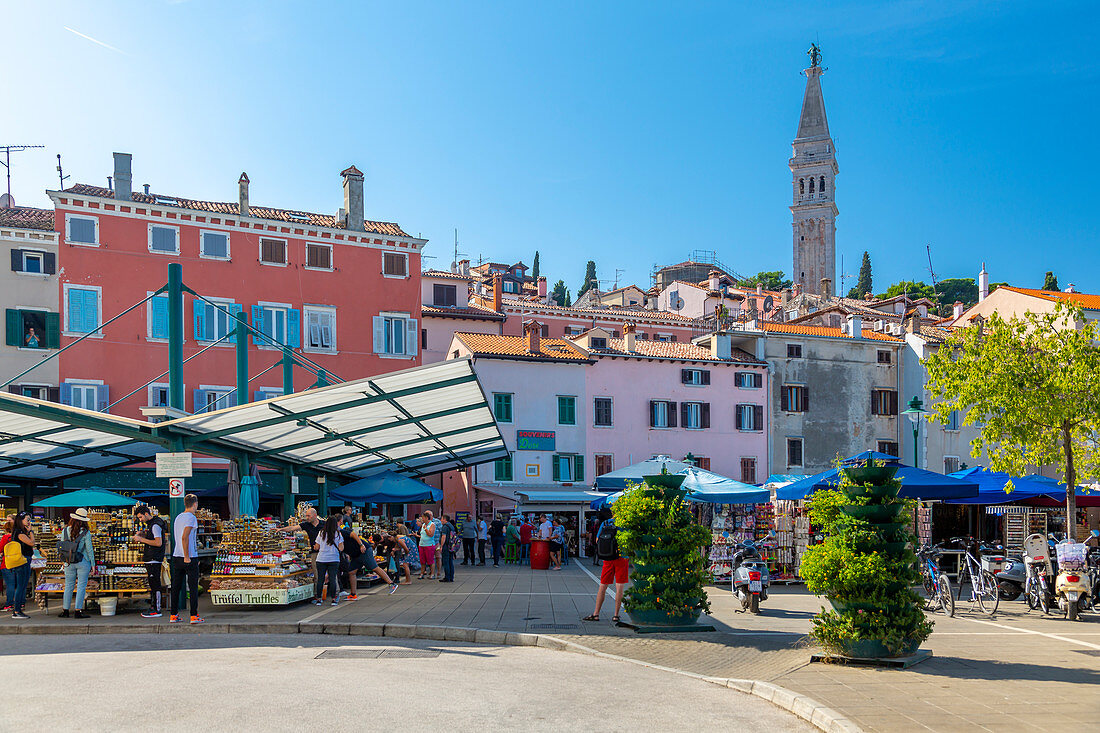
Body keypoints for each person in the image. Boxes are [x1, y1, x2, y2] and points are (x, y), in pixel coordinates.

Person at [584, 509, 629, 625]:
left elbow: (597, 539)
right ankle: (616, 615)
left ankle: (596, 613)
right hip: (622, 557)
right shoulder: (625, 524)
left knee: (603, 585)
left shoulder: (606, 523)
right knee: (619, 587)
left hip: (608, 558)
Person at [169, 494, 203, 624]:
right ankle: (194, 616)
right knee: (193, 587)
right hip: (188, 556)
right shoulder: (191, 518)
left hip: (176, 556)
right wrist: (188, 556)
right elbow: (185, 537)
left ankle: (173, 614)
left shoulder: (178, 517)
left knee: (176, 586)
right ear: (195, 504)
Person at [341, 526, 398, 598]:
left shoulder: (340, 532)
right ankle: (353, 594)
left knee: (374, 567)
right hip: (356, 555)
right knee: (351, 572)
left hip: (364, 551)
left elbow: (353, 534)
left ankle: (392, 584)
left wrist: (361, 545)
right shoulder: (332, 536)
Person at [59, 508, 96, 619]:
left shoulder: (65, 531)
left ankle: (65, 610)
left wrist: (63, 562)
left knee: (68, 586)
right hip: (82, 561)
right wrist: (93, 564)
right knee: (81, 586)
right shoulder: (85, 532)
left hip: (68, 562)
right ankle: (78, 611)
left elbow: (63, 548)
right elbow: (89, 550)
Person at [131, 505, 167, 618]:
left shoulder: (155, 525)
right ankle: (153, 607)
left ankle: (157, 609)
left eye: (141, 517)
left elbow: (158, 543)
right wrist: (144, 535)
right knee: (153, 584)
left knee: (155, 584)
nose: (140, 520)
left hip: (154, 559)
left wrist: (141, 539)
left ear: (147, 514)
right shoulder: (153, 524)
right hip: (152, 558)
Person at [313, 511, 344, 606]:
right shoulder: (338, 534)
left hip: (321, 559)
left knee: (320, 579)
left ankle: (318, 599)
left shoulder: (321, 533)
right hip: (334, 559)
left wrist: (316, 547)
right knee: (332, 578)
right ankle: (334, 599)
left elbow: (317, 547)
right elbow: (341, 548)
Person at [6, 513, 33, 619]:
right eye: (27, 519)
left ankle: (18, 610)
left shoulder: (20, 531)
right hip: (22, 561)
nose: (28, 521)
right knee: (21, 586)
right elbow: (31, 543)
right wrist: (30, 531)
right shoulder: (19, 532)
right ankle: (17, 611)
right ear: (20, 520)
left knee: (22, 586)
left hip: (24, 560)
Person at [1, 517, 14, 612]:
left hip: (6, 563)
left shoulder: (6, 537)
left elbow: (0, 549)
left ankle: (9, 604)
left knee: (9, 585)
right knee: (16, 584)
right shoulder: (18, 536)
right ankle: (19, 603)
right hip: (17, 562)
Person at [417, 513, 437, 579]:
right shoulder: (423, 525)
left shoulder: (432, 525)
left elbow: (430, 534)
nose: (422, 519)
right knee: (422, 560)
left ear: (426, 518)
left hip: (429, 545)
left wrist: (426, 529)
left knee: (430, 560)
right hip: (422, 544)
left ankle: (432, 574)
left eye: (423, 518)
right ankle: (422, 573)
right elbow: (422, 535)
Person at [439, 514, 457, 582]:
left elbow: (444, 536)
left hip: (446, 546)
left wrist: (441, 546)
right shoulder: (451, 526)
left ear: (444, 519)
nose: (441, 520)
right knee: (450, 561)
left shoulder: (445, 527)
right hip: (451, 545)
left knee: (446, 562)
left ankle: (447, 577)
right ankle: (451, 577)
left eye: (441, 519)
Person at [429, 510, 444, 579]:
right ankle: (432, 572)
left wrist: (441, 543)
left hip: (436, 542)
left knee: (438, 557)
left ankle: (439, 572)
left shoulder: (437, 522)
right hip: (428, 543)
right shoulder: (426, 523)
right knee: (430, 558)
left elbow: (442, 532)